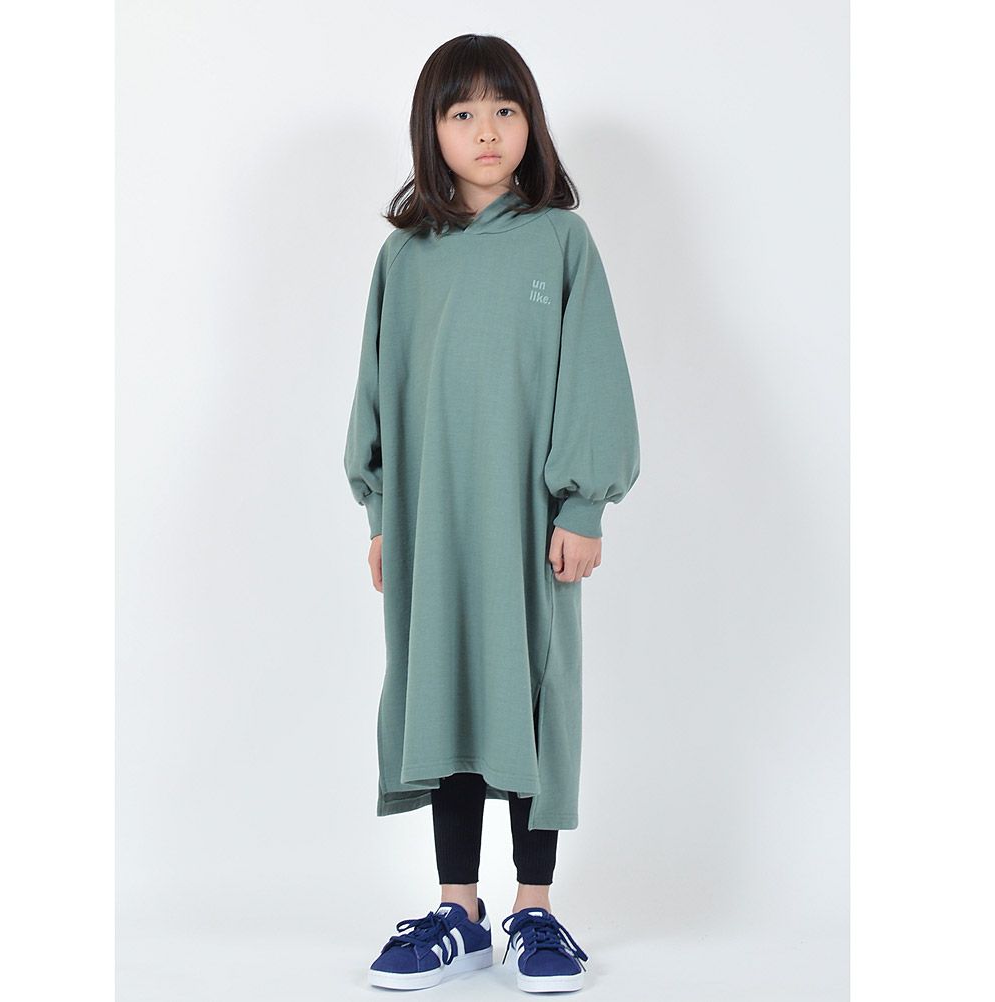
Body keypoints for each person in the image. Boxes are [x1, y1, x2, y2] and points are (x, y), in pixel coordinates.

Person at [344, 33, 640, 993]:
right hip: (432, 525)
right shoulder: (405, 258)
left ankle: (535, 910)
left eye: (505, 110)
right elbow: (377, 391)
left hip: (530, 526)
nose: (486, 130)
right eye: (462, 111)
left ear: (531, 124)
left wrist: (583, 503)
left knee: (534, 692)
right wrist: (381, 512)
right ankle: (459, 910)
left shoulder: (560, 242)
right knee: (446, 689)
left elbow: (592, 375)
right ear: (431, 130)